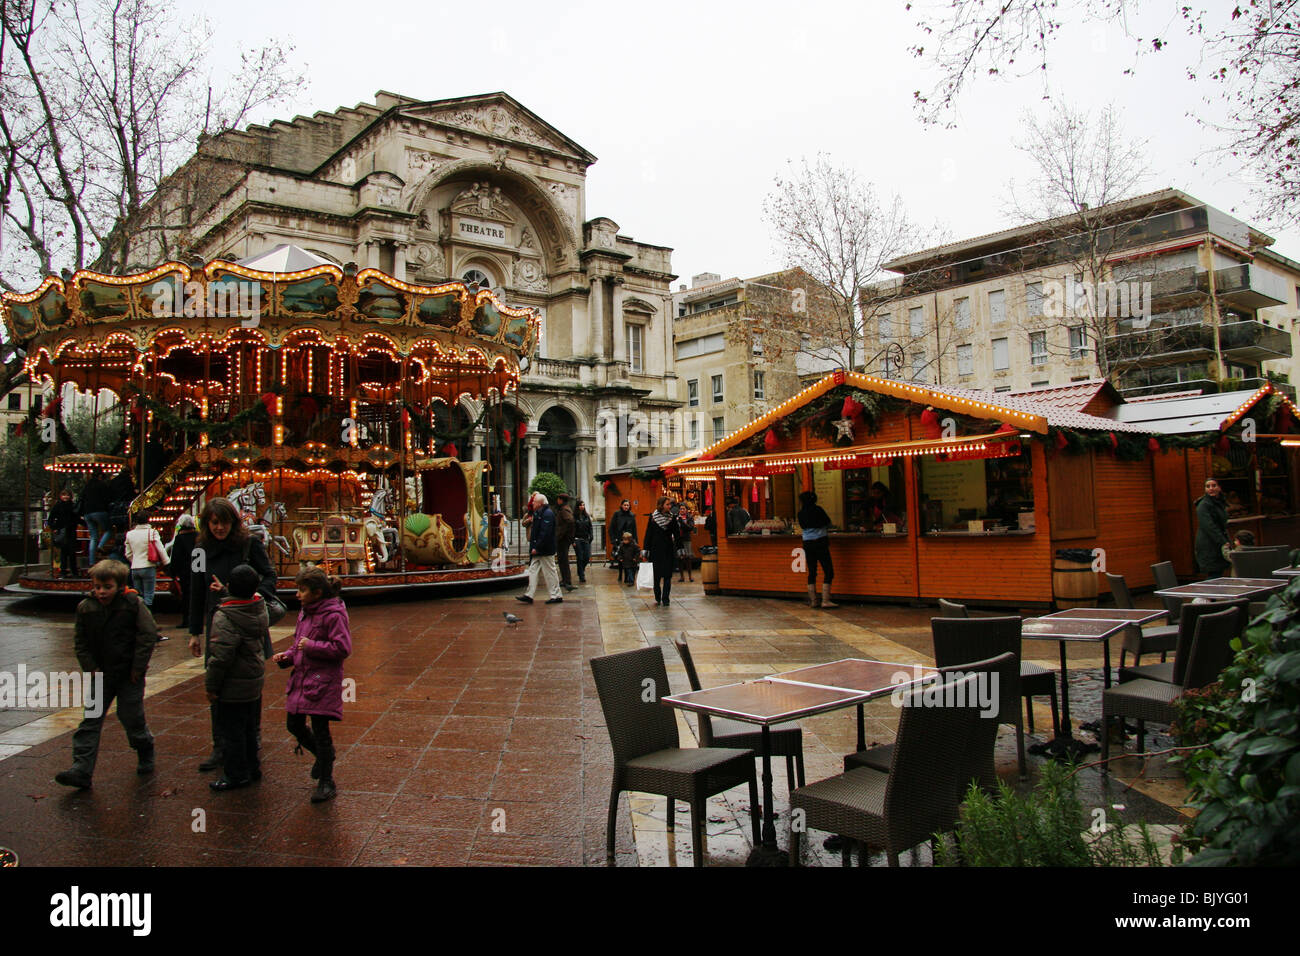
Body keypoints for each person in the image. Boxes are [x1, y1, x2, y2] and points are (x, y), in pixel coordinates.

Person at [188, 497, 277, 773]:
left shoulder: (249, 544)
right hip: (219, 624)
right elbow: (196, 590)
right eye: (214, 523)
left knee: (249, 685)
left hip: (248, 621)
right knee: (216, 685)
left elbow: (269, 576)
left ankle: (253, 737)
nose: (219, 528)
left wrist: (243, 591)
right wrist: (194, 631)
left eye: (224, 522)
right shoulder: (200, 550)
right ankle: (220, 745)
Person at [54, 560, 158, 788]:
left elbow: (148, 634)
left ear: (119, 586)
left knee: (131, 717)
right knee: (90, 721)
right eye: (98, 586)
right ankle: (81, 769)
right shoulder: (86, 607)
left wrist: (138, 668)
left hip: (129, 674)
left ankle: (145, 748)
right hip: (101, 675)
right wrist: (91, 668)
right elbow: (80, 642)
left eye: (107, 587)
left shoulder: (132, 604)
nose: (101, 592)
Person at [273, 567, 351, 803]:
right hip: (302, 678)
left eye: (302, 590)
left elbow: (342, 648)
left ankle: (327, 781)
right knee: (294, 724)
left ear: (317, 593)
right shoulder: (305, 612)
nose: (298, 594)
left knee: (320, 729)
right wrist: (287, 656)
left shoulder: (333, 614)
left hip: (322, 682)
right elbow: (299, 642)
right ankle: (323, 756)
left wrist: (311, 646)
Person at [205, 564, 269, 792]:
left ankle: (235, 774)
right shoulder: (258, 607)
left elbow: (221, 656)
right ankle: (252, 767)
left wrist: (212, 685)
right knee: (250, 728)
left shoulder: (225, 616)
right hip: (254, 679)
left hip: (233, 684)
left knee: (232, 731)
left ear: (230, 586)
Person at [516, 492, 562, 604]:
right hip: (539, 549)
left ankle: (556, 595)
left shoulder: (547, 514)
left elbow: (544, 533)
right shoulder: (539, 513)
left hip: (545, 549)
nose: (533, 504)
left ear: (540, 503)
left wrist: (537, 546)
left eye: (535, 502)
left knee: (550, 572)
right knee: (532, 570)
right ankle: (529, 594)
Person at [798, 490, 837, 609]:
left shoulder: (801, 513)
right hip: (820, 541)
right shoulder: (818, 510)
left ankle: (813, 600)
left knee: (812, 571)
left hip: (807, 543)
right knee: (828, 570)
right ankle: (825, 600)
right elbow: (828, 523)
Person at [642, 496, 682, 607]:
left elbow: (677, 534)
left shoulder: (672, 518)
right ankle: (657, 595)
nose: (669, 506)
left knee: (668, 575)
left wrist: (680, 548)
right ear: (661, 505)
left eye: (670, 504)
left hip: (668, 549)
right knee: (656, 576)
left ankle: (666, 598)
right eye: (667, 504)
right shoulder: (653, 518)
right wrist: (646, 549)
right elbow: (648, 534)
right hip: (655, 550)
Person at [124, 511, 168, 609]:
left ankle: (138, 615)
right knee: (149, 595)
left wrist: (134, 560)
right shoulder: (152, 532)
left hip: (135, 567)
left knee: (138, 595)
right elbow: (160, 548)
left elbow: (128, 553)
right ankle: (147, 615)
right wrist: (166, 562)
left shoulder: (130, 534)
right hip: (148, 566)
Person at [1195, 478, 1231, 578]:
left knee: (1218, 573)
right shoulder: (1203, 505)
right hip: (1209, 544)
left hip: (1217, 543)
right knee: (1214, 574)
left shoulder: (1219, 502)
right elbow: (1209, 526)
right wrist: (1223, 541)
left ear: (1219, 488)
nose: (1211, 488)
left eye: (1214, 485)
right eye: (1208, 486)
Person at [168, 515, 198, 631]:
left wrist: (173, 573)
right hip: (196, 569)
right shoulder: (198, 537)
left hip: (184, 572)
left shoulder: (180, 539)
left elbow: (175, 557)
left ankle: (186, 619)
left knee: (186, 596)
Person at [78, 466, 112, 564]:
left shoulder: (87, 486)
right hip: (99, 511)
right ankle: (100, 546)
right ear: (100, 476)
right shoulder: (102, 485)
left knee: (93, 537)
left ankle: (92, 562)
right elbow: (108, 498)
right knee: (108, 530)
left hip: (87, 513)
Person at [47, 488, 82, 578]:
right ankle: (63, 571)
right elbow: (51, 518)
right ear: (61, 496)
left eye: (67, 495)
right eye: (64, 495)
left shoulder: (72, 506)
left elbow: (76, 518)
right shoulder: (58, 506)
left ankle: (73, 571)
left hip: (71, 530)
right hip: (62, 530)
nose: (65, 497)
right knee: (64, 552)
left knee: (71, 552)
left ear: (70, 496)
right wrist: (54, 527)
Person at [554, 491, 576, 592]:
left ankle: (567, 581)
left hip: (563, 539)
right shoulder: (565, 508)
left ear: (561, 500)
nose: (557, 501)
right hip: (564, 538)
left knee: (563, 560)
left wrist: (561, 534)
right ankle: (565, 580)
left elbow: (570, 521)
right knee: (562, 559)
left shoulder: (564, 510)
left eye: (558, 499)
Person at [609, 499, 638, 564]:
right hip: (619, 538)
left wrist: (636, 540)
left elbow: (634, 529)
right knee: (620, 557)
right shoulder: (617, 514)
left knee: (629, 557)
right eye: (625, 505)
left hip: (629, 539)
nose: (626, 507)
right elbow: (611, 527)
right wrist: (612, 539)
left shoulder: (631, 515)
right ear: (621, 505)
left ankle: (628, 572)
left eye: (627, 505)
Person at [573, 499, 593, 584]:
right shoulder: (574, 516)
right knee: (580, 557)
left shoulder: (586, 516)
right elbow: (572, 529)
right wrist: (572, 540)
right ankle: (581, 575)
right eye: (581, 505)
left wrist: (591, 536)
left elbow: (590, 527)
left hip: (586, 539)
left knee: (587, 556)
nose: (582, 507)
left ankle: (580, 569)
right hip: (577, 539)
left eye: (583, 505)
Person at [677, 504, 696, 583]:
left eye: (683, 509)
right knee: (679, 558)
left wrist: (682, 523)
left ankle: (690, 576)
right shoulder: (676, 518)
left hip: (686, 539)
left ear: (686, 510)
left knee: (688, 558)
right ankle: (682, 576)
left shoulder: (689, 517)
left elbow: (690, 528)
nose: (682, 510)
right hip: (678, 540)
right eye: (681, 509)